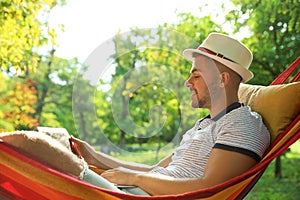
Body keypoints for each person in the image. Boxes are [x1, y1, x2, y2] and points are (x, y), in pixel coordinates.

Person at [70, 32, 270, 196]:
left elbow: (208, 189)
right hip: (138, 190)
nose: (187, 82)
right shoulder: (203, 125)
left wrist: (132, 178)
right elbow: (153, 170)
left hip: (143, 194)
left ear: (221, 79)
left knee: (48, 156)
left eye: (196, 75)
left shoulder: (242, 123)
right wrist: (93, 156)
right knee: (59, 155)